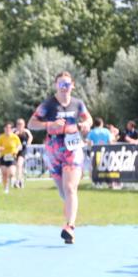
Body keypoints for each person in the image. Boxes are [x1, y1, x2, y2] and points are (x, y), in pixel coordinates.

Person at [27, 71, 92, 244]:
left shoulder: (78, 104)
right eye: (61, 84)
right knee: (64, 192)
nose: (64, 88)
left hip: (72, 148)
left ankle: (70, 226)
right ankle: (71, 217)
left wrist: (86, 124)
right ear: (56, 85)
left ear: (72, 86)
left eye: (67, 84)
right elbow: (31, 124)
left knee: (70, 188)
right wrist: (50, 124)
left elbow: (89, 119)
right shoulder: (48, 104)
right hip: (53, 149)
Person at [0, 122, 22, 194]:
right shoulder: (1, 137)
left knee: (12, 172)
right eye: (6, 128)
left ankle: (13, 180)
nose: (8, 129)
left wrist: (16, 150)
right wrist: (0, 148)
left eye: (9, 128)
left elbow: (19, 145)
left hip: (12, 156)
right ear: (4, 129)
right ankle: (6, 187)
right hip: (3, 157)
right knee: (4, 173)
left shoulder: (15, 137)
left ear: (12, 129)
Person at [13, 118, 34, 188]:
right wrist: (16, 134)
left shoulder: (26, 131)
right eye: (18, 124)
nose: (20, 125)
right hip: (14, 151)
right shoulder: (14, 131)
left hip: (22, 150)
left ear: (24, 124)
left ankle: (18, 181)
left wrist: (28, 143)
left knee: (19, 164)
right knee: (17, 167)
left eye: (21, 124)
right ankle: (20, 180)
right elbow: (10, 138)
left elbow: (30, 137)